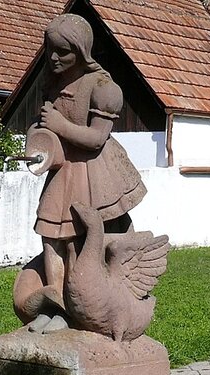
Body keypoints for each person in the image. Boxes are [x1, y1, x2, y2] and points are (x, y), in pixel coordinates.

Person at [18, 13, 147, 333]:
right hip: (62, 172)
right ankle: (56, 303)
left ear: (82, 51)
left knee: (81, 240)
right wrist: (39, 142)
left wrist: (60, 125)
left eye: (64, 51)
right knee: (51, 237)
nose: (54, 57)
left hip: (94, 174)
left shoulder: (103, 88)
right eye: (50, 50)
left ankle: (77, 312)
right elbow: (44, 127)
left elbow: (96, 138)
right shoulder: (53, 84)